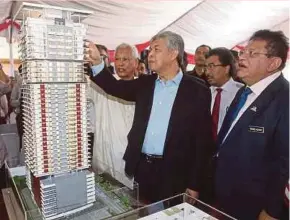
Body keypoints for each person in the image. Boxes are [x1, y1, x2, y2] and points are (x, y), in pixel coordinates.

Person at [85, 31, 213, 203]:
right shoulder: (146, 84)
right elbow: (115, 87)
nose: (150, 55)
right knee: (143, 211)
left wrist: (195, 184)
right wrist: (97, 62)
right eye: (150, 50)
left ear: (173, 53)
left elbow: (202, 142)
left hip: (175, 173)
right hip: (143, 169)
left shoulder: (197, 89)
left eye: (156, 50)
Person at [214, 30, 289, 219]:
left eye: (252, 53)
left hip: (255, 207)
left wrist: (272, 210)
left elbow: (285, 162)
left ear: (274, 63)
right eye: (243, 52)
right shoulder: (244, 92)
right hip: (226, 196)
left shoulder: (285, 98)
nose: (242, 58)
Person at [89, 43, 138, 188]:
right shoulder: (101, 84)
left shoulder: (144, 88)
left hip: (128, 163)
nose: (120, 64)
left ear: (135, 63)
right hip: (103, 159)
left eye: (125, 59)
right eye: (117, 59)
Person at [205, 47, 243, 141]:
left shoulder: (242, 93)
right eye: (205, 67)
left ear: (227, 68)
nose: (207, 72)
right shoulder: (204, 93)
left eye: (211, 66)